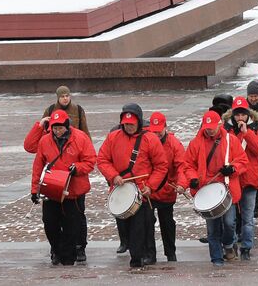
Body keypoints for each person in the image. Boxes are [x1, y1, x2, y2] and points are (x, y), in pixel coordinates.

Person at [95, 104, 169, 270]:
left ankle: (138, 260)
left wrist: (151, 186)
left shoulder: (150, 139)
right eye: (126, 124)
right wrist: (114, 176)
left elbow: (161, 166)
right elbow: (102, 160)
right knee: (125, 228)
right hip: (121, 191)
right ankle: (137, 254)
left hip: (141, 191)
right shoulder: (113, 137)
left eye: (131, 124)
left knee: (140, 227)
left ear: (139, 123)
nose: (128, 127)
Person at [26, 108, 96, 267]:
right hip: (51, 189)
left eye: (60, 128)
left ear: (67, 126)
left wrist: (78, 168)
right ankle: (56, 250)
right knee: (50, 222)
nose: (57, 131)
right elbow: (38, 166)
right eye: (54, 128)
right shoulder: (44, 140)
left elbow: (91, 160)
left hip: (73, 191)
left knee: (72, 225)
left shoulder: (80, 138)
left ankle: (68, 258)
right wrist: (34, 190)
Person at [182, 110, 250, 266]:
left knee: (229, 223)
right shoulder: (196, 143)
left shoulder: (230, 140)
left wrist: (232, 168)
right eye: (207, 127)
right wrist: (192, 178)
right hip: (206, 189)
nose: (209, 129)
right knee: (212, 229)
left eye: (212, 126)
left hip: (227, 189)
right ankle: (217, 259)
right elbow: (187, 165)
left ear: (219, 124)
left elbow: (242, 161)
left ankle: (228, 244)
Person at [228, 97, 258, 258]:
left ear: (248, 114)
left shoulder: (257, 128)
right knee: (230, 219)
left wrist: (247, 133)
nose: (240, 118)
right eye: (237, 115)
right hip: (232, 179)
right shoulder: (226, 129)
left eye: (242, 115)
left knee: (248, 218)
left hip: (249, 179)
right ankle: (231, 245)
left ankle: (246, 246)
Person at [146, 112, 184, 264]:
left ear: (165, 127)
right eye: (153, 131)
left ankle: (170, 253)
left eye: (159, 131)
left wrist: (182, 183)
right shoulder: (145, 141)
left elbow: (182, 165)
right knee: (147, 222)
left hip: (167, 190)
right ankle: (150, 254)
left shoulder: (174, 143)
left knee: (167, 223)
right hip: (148, 190)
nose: (156, 134)